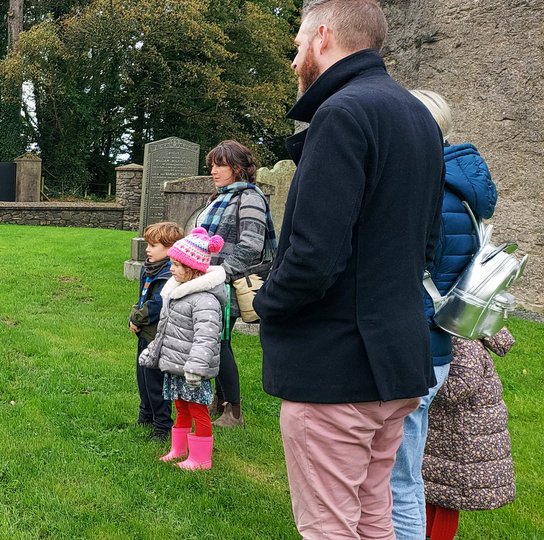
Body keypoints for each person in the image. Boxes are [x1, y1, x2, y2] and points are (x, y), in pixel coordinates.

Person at [252, 1, 445, 537]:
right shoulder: (416, 116)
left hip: (338, 368)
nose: (293, 61)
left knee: (331, 527)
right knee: (373, 516)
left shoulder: (342, 114)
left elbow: (314, 258)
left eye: (296, 45)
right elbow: (425, 246)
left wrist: (266, 302)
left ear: (324, 38)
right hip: (396, 359)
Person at [389, 89, 498, 540]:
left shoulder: (429, 186)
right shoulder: (466, 188)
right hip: (438, 343)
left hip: (410, 341)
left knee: (393, 478)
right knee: (406, 472)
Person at [194, 140, 277, 428]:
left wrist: (221, 273)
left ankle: (233, 412)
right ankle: (219, 402)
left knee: (219, 342)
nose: (214, 170)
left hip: (223, 282)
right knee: (212, 339)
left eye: (221, 164)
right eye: (212, 165)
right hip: (206, 279)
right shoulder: (219, 196)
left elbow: (251, 246)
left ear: (238, 168)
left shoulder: (249, 197)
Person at [139, 227, 227, 470]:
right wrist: (152, 351)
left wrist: (196, 368)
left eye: (177, 265)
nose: (171, 269)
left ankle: (201, 458)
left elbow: (206, 339)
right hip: (176, 365)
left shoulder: (205, 300)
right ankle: (179, 449)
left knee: (198, 410)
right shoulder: (175, 292)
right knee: (180, 406)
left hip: (192, 370)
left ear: (193, 269)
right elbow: (165, 330)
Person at [422, 329, 517, 540]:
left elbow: (458, 388)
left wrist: (423, 373)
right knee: (434, 493)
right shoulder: (461, 336)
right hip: (451, 433)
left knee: (448, 497)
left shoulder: (465, 341)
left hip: (462, 438)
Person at [129, 222, 183, 440]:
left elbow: (158, 304)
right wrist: (135, 315)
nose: (148, 250)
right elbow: (143, 298)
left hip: (158, 336)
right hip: (144, 333)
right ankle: (146, 414)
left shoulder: (170, 274)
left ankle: (162, 426)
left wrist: (137, 317)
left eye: (153, 245)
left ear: (171, 248)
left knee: (155, 382)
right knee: (142, 377)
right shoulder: (149, 268)